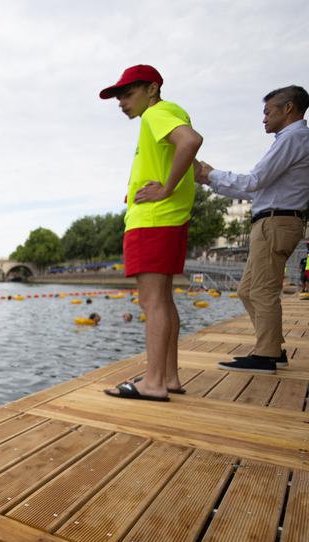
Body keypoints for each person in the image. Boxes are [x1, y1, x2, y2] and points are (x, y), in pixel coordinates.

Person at [100, 65, 203, 402]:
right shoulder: (169, 115)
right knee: (164, 299)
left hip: (153, 222)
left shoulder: (156, 114)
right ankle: (168, 376)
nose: (121, 102)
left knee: (152, 301)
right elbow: (192, 160)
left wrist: (165, 189)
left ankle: (154, 381)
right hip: (168, 221)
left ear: (152, 89)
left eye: (127, 94)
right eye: (118, 97)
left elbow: (191, 142)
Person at [197, 86, 309, 373]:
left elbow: (253, 181)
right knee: (248, 290)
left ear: (288, 109)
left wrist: (211, 173)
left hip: (275, 222)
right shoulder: (292, 140)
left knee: (261, 290)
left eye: (267, 111)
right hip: (274, 219)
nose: (263, 118)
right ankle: (273, 347)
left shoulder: (293, 138)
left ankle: (267, 355)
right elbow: (258, 190)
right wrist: (211, 180)